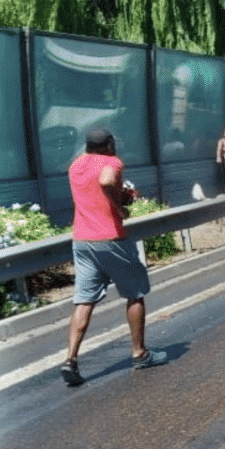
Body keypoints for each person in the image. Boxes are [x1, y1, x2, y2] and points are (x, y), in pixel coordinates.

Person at [61, 128, 167, 387]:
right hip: (110, 239)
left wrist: (121, 197)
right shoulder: (112, 162)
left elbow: (94, 193)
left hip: (82, 240)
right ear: (108, 145)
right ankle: (140, 353)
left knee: (84, 300)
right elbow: (106, 181)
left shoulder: (76, 166)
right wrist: (119, 207)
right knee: (135, 292)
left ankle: (70, 359)